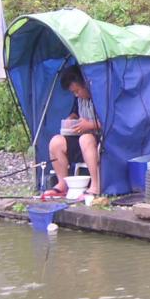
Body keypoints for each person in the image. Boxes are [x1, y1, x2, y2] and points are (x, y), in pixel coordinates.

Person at [41, 65, 101, 199]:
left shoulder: (100, 96)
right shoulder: (79, 99)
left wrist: (90, 125)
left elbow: (112, 123)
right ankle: (62, 184)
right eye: (73, 92)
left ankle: (95, 186)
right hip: (80, 140)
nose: (76, 95)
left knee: (85, 139)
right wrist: (70, 120)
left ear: (86, 84)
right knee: (56, 142)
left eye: (77, 91)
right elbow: (75, 113)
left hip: (99, 141)